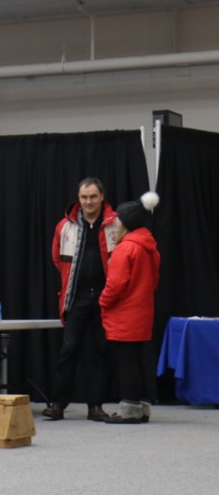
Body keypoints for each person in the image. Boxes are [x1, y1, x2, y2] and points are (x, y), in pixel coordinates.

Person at [44, 177, 118, 422]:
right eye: (84, 197)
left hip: (106, 298)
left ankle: (95, 406)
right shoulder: (64, 227)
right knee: (69, 349)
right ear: (78, 199)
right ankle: (58, 404)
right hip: (76, 298)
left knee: (101, 351)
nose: (88, 202)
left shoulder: (115, 224)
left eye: (93, 197)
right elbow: (57, 259)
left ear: (102, 197)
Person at [100, 192, 161, 424]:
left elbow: (115, 286)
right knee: (137, 359)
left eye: (118, 218)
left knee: (126, 362)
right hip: (143, 310)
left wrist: (103, 301)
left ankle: (131, 410)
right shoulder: (149, 247)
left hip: (125, 313)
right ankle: (142, 406)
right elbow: (154, 281)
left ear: (126, 223)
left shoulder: (125, 249)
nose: (115, 221)